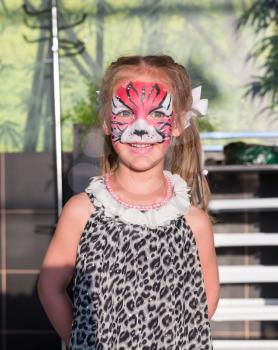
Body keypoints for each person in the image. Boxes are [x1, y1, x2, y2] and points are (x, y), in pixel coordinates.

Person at [37, 55, 220, 350]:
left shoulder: (192, 220)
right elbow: (50, 287)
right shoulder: (83, 211)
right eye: (126, 112)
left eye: (157, 114)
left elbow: (206, 297)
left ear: (178, 123)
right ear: (108, 122)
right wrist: (81, 340)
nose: (140, 128)